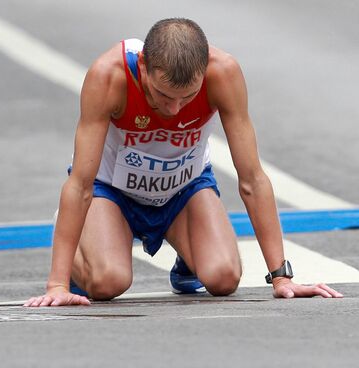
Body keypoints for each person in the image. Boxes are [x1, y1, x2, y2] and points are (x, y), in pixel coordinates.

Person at [24, 18, 342, 307]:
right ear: (144, 66)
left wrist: (281, 277)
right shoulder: (109, 76)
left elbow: (252, 179)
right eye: (162, 95)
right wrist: (57, 284)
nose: (174, 110)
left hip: (182, 190)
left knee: (223, 278)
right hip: (111, 193)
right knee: (109, 281)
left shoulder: (223, 73)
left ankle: (188, 258)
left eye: (187, 97)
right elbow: (79, 182)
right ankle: (86, 248)